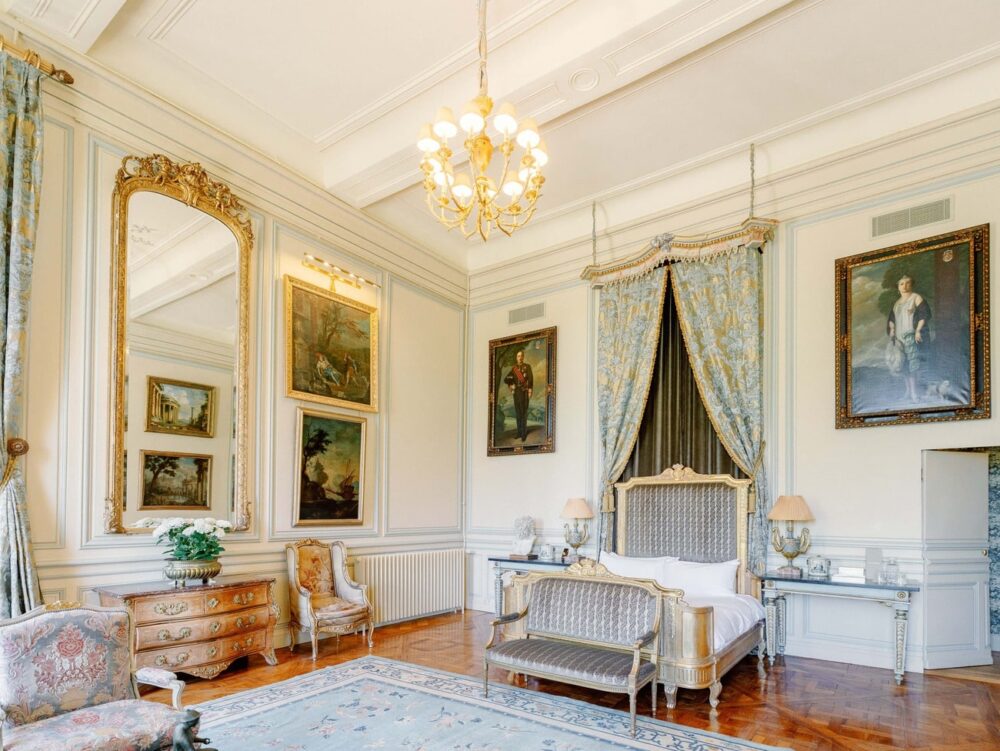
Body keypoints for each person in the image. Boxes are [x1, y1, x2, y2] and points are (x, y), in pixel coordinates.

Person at [886, 274, 931, 401]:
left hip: (911, 336)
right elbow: (892, 319)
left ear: (911, 285)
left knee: (913, 365)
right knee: (903, 366)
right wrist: (892, 330)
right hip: (899, 338)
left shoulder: (916, 298)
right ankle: (908, 392)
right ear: (898, 287)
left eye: (907, 283)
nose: (904, 286)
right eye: (901, 283)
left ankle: (914, 393)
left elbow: (924, 314)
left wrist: (918, 331)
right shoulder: (897, 303)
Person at [503, 350, 533, 441]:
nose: (520, 357)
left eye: (521, 356)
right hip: (517, 393)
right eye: (518, 356)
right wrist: (511, 384)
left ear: (523, 357)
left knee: (523, 413)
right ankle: (519, 433)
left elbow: (531, 379)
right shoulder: (514, 369)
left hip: (524, 392)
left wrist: (530, 389)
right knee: (518, 413)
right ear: (516, 358)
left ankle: (524, 434)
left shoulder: (527, 367)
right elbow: (506, 379)